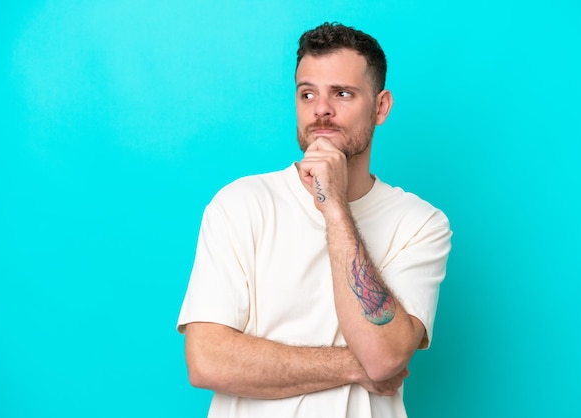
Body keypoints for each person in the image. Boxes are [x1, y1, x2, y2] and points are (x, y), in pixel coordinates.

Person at [176, 22, 452, 418]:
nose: (321, 109)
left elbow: (384, 355)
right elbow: (207, 361)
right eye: (308, 94)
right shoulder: (240, 203)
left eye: (342, 93)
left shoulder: (421, 224)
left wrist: (334, 206)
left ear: (380, 107)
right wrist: (354, 366)